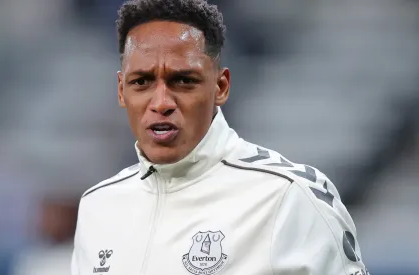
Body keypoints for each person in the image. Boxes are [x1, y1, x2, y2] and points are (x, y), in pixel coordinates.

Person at [72, 0, 369, 274]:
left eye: (184, 81)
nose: (161, 102)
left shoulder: (290, 197)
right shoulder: (97, 207)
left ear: (221, 86)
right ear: (122, 90)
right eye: (142, 82)